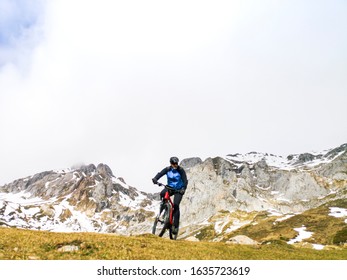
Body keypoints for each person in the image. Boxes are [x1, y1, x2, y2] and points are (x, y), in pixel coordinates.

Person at [152, 156, 188, 234]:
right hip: (170, 188)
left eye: (176, 163)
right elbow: (160, 174)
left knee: (176, 205)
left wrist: (183, 189)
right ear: (170, 163)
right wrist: (155, 179)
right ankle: (165, 208)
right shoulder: (167, 169)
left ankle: (175, 226)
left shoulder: (181, 170)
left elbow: (185, 180)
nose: (175, 165)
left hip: (179, 190)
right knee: (162, 193)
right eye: (173, 163)